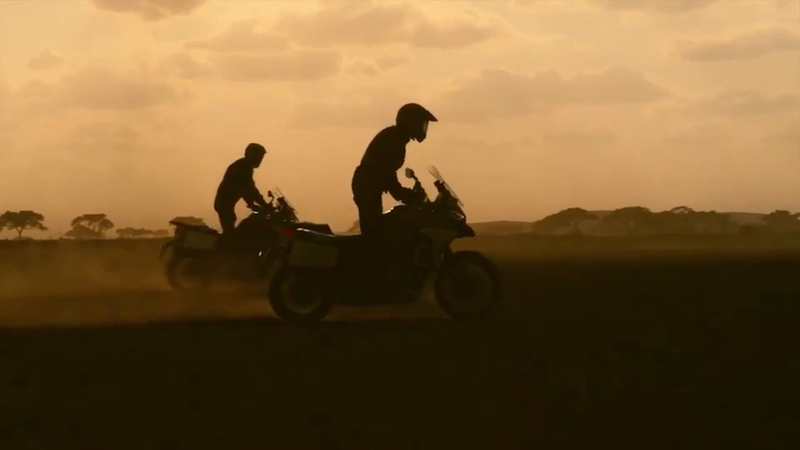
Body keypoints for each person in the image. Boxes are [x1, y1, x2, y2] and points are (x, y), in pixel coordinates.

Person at [351, 102, 438, 237]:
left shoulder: (396, 137)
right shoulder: (394, 139)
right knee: (373, 233)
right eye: (421, 123)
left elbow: (388, 172)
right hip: (367, 185)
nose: (423, 128)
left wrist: (402, 192)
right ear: (411, 122)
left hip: (368, 184)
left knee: (379, 227)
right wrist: (402, 194)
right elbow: (386, 171)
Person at [214, 143, 270, 237]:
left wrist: (253, 203)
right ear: (251, 155)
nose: (260, 160)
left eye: (261, 157)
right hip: (224, 203)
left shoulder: (245, 166)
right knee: (230, 229)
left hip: (226, 203)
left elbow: (247, 188)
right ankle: (226, 245)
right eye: (258, 156)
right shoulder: (242, 167)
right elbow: (248, 189)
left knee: (233, 224)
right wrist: (262, 203)